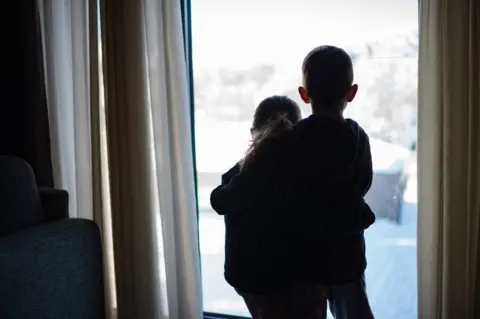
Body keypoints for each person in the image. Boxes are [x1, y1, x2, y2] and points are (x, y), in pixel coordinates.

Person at [211, 45, 376, 319]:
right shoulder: (358, 138)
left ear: (304, 94)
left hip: (305, 263)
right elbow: (362, 186)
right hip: (347, 258)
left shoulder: (291, 140)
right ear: (352, 92)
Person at [211, 95, 303, 319]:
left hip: (247, 274)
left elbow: (219, 201)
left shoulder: (249, 171)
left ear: (254, 132)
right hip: (284, 276)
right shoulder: (302, 171)